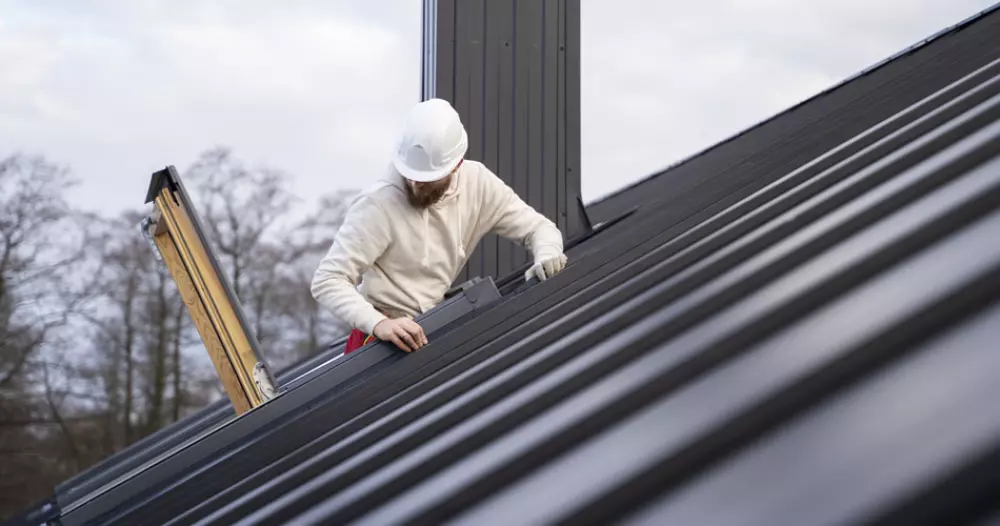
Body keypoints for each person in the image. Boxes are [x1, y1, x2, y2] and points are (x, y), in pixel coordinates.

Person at [311, 98, 567, 354]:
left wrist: (548, 254)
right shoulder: (378, 205)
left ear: (456, 165)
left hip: (428, 330)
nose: (414, 186)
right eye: (410, 176)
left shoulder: (478, 185)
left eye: (426, 180)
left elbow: (539, 229)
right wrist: (380, 324)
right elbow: (328, 279)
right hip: (377, 341)